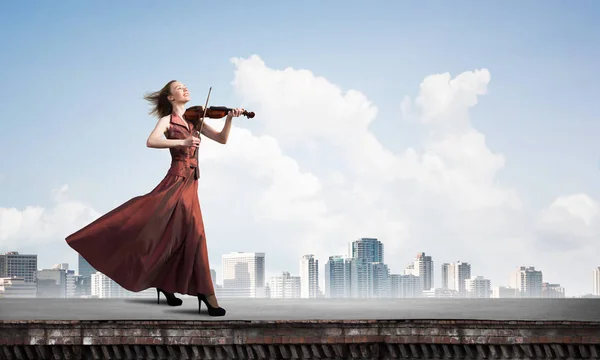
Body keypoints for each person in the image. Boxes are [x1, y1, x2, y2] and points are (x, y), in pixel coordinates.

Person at [65, 80, 242, 317]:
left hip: (192, 183)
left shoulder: (195, 119)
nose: (185, 89)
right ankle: (207, 294)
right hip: (176, 180)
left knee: (181, 234)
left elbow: (222, 139)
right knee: (182, 231)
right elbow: (152, 141)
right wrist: (184, 141)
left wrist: (229, 118)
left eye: (186, 86)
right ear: (170, 98)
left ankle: (167, 283)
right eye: (179, 88)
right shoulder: (167, 121)